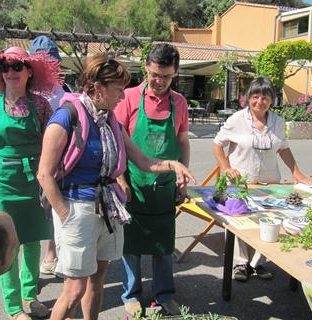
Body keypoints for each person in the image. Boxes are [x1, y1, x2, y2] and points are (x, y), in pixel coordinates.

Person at [37, 54, 195, 320]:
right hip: (77, 208)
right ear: (98, 87)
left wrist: (173, 165)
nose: (123, 97)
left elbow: (143, 160)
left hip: (107, 208)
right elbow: (44, 175)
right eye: (119, 90)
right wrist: (65, 214)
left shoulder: (110, 120)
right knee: (75, 288)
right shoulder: (65, 118)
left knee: (97, 280)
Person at [0, 46, 62, 320]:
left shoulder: (41, 105)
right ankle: (13, 306)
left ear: (29, 71)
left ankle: (30, 296)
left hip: (33, 181)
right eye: (5, 66)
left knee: (31, 240)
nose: (10, 72)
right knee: (9, 243)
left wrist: (50, 180)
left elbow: (50, 145)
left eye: (17, 66)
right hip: (1, 182)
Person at [113, 43, 190, 316]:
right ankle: (130, 295)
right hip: (133, 183)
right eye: (155, 74)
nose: (158, 82)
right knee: (131, 244)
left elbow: (182, 142)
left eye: (166, 76)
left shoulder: (179, 103)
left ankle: (164, 294)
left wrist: (183, 177)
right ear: (146, 66)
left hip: (165, 186)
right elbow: (118, 143)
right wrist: (121, 179)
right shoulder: (129, 97)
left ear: (176, 73)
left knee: (163, 244)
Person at [212, 76, 312, 282]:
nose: (260, 101)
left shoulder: (277, 121)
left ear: (272, 99)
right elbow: (217, 144)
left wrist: (297, 173)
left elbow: (283, 149)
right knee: (240, 221)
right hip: (240, 182)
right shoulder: (236, 120)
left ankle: (258, 264)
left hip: (270, 182)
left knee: (268, 221)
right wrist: (226, 167)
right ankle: (241, 263)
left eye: (265, 97)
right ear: (248, 98)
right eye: (255, 97)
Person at [29, 35, 70, 276]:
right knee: (31, 212)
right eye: (42, 62)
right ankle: (27, 274)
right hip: (30, 157)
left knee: (53, 205)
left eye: (51, 62)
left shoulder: (65, 90)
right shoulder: (24, 88)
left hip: (59, 160)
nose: (48, 67)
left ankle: (52, 252)